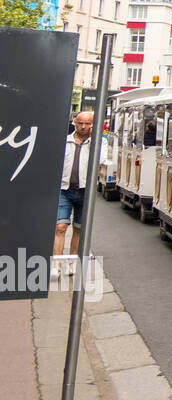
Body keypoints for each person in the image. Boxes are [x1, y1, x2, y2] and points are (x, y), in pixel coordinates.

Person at [55, 110, 97, 278]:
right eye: (80, 123)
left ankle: (72, 262)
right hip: (64, 190)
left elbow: (101, 162)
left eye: (88, 123)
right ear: (74, 122)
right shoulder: (64, 141)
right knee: (60, 227)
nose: (84, 127)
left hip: (85, 192)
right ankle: (56, 264)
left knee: (78, 229)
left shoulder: (97, 143)